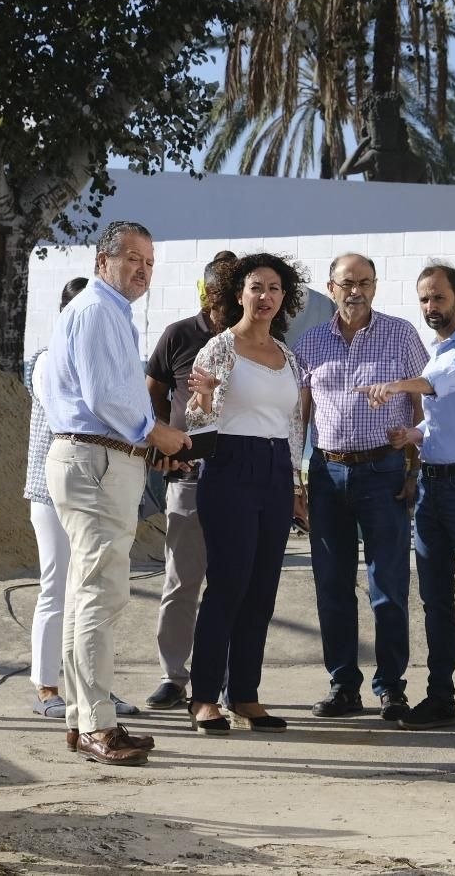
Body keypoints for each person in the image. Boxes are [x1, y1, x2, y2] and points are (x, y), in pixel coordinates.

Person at [41, 221, 191, 766]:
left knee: (89, 593)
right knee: (100, 592)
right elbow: (107, 396)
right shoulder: (98, 310)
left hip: (94, 456)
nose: (142, 270)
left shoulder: (98, 313)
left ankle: (85, 718)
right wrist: (158, 433)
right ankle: (97, 722)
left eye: (149, 262)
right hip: (98, 458)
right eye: (132, 258)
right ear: (103, 260)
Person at [359, 263, 455, 735]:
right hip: (431, 485)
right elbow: (443, 416)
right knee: (434, 598)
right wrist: (413, 432)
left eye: (439, 298)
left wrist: (397, 386)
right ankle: (441, 697)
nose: (431, 308)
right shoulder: (439, 351)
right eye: (424, 299)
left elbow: (452, 383)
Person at [293, 253, 429, 721]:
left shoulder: (402, 334)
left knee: (387, 586)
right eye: (347, 283)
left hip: (384, 474)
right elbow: (299, 414)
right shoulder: (310, 342)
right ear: (331, 289)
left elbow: (422, 402)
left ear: (375, 286)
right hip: (327, 476)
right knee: (331, 585)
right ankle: (343, 685)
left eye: (365, 282)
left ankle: (391, 688)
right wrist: (298, 479)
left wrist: (415, 470)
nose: (357, 291)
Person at [183, 253, 308, 733]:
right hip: (229, 467)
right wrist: (207, 398)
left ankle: (246, 695)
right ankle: (204, 698)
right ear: (239, 293)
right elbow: (195, 424)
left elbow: (292, 424)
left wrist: (297, 481)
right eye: (256, 287)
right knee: (228, 585)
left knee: (262, 588)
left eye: (274, 288)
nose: (265, 297)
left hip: (277, 472)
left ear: (284, 297)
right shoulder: (219, 348)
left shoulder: (287, 355)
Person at [22, 277, 138, 721]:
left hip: (94, 486)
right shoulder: (48, 361)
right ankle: (47, 684)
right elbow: (92, 405)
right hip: (52, 491)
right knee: (57, 586)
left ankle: (90, 689)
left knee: (91, 590)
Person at [142, 257, 228, 710]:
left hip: (238, 480)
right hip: (188, 478)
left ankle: (227, 677)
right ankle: (174, 676)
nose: (221, 308)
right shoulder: (178, 335)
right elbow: (152, 394)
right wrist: (160, 440)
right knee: (181, 582)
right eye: (215, 297)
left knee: (231, 583)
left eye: (228, 298)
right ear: (204, 294)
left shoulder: (257, 340)